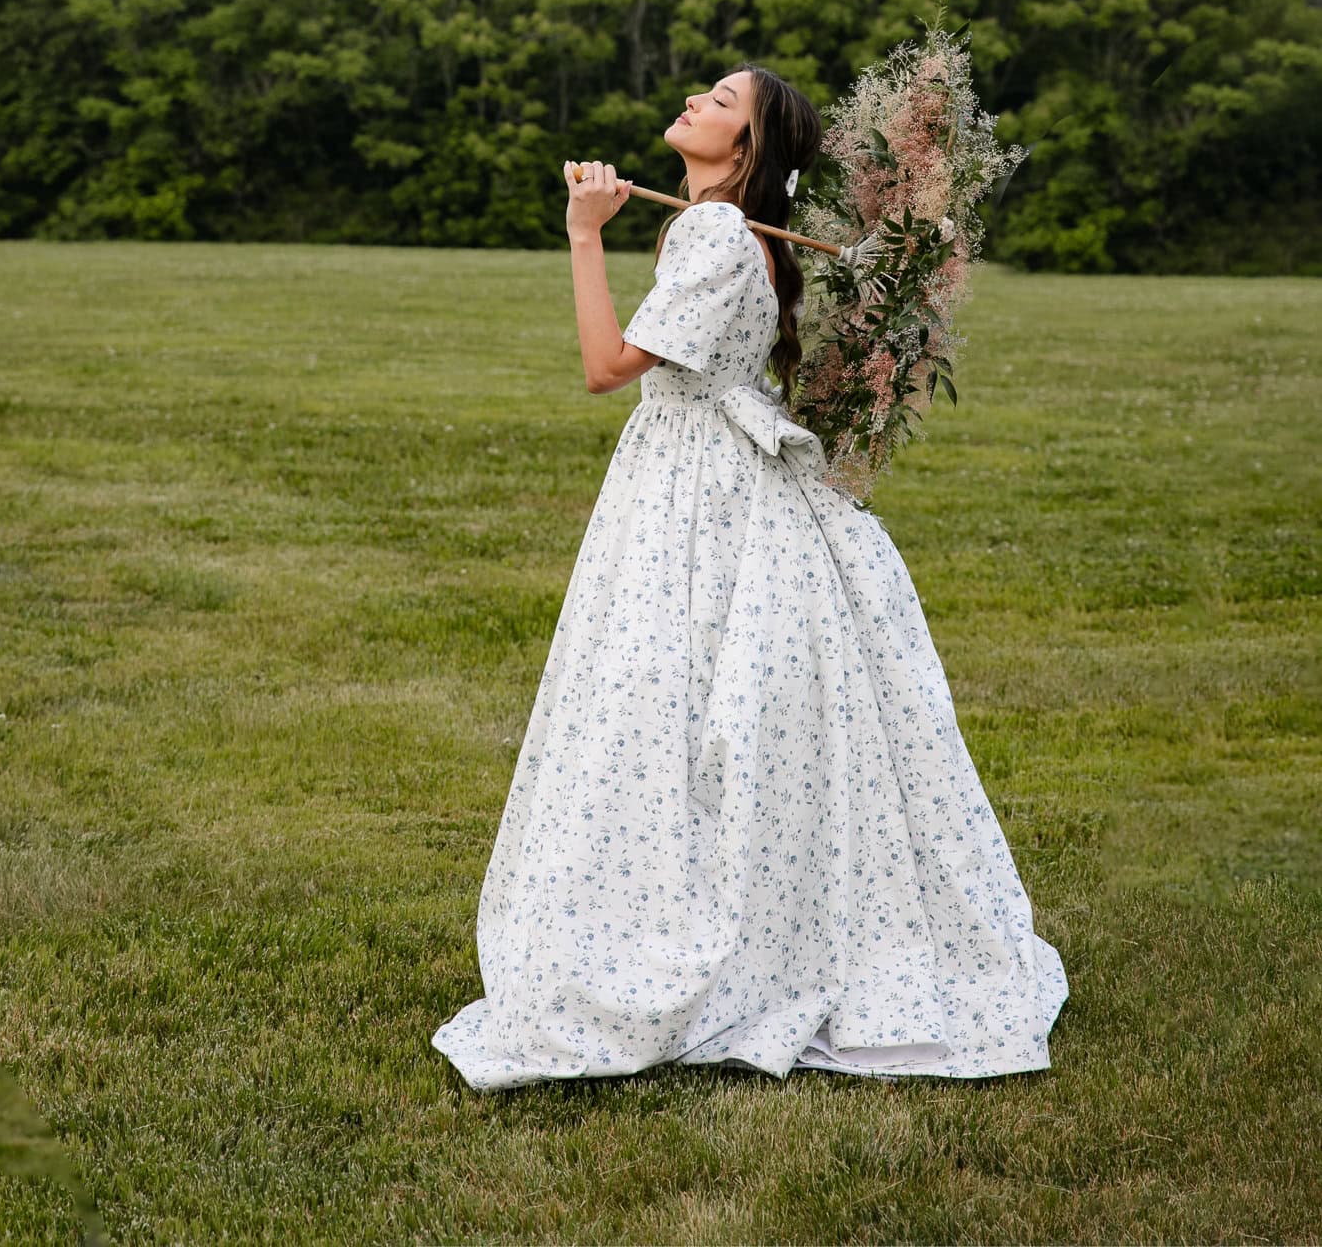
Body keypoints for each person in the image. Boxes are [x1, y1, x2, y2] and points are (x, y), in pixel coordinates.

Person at [430, 63, 1069, 1089]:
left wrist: (582, 230)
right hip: (705, 474)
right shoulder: (727, 233)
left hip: (693, 487)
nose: (694, 100)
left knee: (667, 700)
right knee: (694, 706)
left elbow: (603, 366)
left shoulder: (715, 233)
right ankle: (732, 913)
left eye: (721, 103)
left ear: (747, 151)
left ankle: (693, 935)